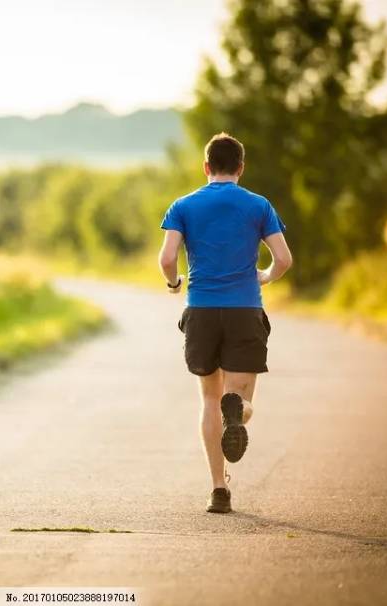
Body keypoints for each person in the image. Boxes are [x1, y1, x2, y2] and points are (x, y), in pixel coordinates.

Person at [158, 132, 293, 514]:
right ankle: (240, 413)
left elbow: (168, 257)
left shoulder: (183, 205)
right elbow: (283, 259)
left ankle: (219, 490)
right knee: (241, 400)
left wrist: (174, 284)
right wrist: (265, 276)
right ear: (241, 167)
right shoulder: (258, 205)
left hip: (201, 310)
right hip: (243, 309)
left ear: (205, 167)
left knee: (208, 399)